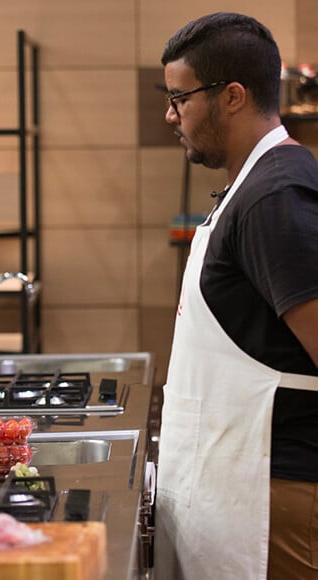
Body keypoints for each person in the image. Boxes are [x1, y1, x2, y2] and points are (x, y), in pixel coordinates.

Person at [155, 12, 318, 580]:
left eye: (179, 99)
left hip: (274, 498)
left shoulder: (276, 195)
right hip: (240, 492)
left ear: (232, 96)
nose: (169, 115)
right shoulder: (250, 186)